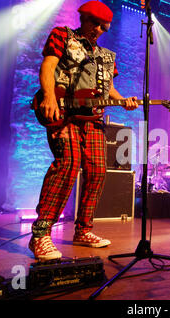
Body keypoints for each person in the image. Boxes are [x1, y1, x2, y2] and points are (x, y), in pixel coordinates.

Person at [29, 1, 139, 261]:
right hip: (64, 111)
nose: (99, 30)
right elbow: (48, 65)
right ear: (85, 18)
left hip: (93, 118)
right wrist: (48, 96)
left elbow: (107, 89)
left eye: (104, 27)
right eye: (96, 24)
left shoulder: (106, 56)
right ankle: (41, 235)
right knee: (68, 163)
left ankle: (84, 230)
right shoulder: (62, 36)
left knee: (99, 171)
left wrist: (123, 100)